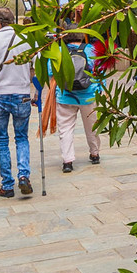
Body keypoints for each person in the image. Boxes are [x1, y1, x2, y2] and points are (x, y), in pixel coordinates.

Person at [0, 8, 34, 198]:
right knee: (21, 137)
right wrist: (36, 91)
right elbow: (35, 68)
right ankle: (23, 176)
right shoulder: (27, 39)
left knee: (2, 140)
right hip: (22, 94)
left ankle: (7, 184)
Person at [52, 32, 102, 170]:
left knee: (65, 129)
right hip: (88, 95)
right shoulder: (91, 49)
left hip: (65, 95)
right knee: (92, 126)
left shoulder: (59, 50)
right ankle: (94, 153)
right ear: (81, 36)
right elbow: (99, 70)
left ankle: (67, 161)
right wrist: (99, 88)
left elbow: (51, 72)